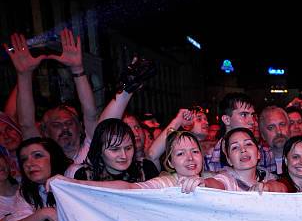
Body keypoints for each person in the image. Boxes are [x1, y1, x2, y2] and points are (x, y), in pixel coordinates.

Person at [6, 30, 97, 165]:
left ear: (80, 127)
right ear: (45, 132)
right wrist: (24, 75)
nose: (64, 128)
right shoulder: (44, 160)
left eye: (69, 123)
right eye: (56, 125)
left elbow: (91, 114)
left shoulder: (93, 149)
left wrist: (77, 69)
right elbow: (26, 125)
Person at [48, 130, 207, 194]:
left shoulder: (215, 178)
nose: (190, 158)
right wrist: (72, 183)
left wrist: (205, 185)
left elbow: (222, 183)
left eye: (195, 151)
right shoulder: (165, 183)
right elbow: (130, 187)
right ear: (170, 162)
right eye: (180, 153)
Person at [73, 119, 159, 182]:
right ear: (99, 151)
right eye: (114, 149)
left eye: (128, 148)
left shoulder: (146, 169)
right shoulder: (85, 176)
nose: (123, 155)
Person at [204, 128, 286, 192]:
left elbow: (282, 188)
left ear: (258, 154)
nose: (243, 149)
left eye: (248, 144)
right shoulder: (227, 179)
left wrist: (268, 187)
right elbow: (215, 184)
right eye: (235, 147)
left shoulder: (266, 177)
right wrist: (204, 184)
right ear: (229, 160)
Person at [205, 93, 257, 172]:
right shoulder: (208, 157)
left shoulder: (262, 152)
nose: (252, 121)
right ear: (226, 120)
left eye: (252, 115)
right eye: (244, 115)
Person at [258, 106, 290, 174]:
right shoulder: (256, 163)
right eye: (271, 127)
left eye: (282, 124)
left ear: (289, 128)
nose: (279, 131)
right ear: (263, 135)